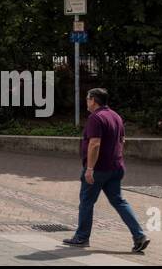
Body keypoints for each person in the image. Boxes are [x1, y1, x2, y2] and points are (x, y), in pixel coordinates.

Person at [62, 88, 151, 253]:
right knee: (119, 202)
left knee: (87, 202)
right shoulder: (116, 116)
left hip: (99, 169)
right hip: (116, 167)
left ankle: (81, 238)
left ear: (94, 100)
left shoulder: (96, 118)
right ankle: (139, 236)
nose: (86, 102)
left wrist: (90, 168)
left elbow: (94, 143)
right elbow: (122, 141)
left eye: (88, 99)